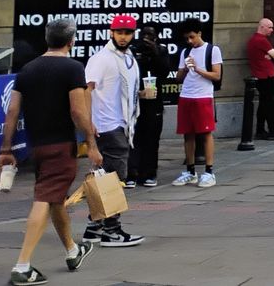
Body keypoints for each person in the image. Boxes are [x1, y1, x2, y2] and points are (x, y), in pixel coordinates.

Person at [0, 18, 101, 286]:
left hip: (38, 147)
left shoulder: (27, 69)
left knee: (55, 198)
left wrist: (6, 148)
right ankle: (22, 266)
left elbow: (12, 111)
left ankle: (72, 250)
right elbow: (78, 111)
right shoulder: (72, 68)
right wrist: (91, 143)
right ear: (71, 41)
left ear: (47, 39)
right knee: (45, 199)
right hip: (61, 146)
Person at [81, 15, 149, 247]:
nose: (123, 36)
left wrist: (139, 96)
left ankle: (93, 227)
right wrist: (89, 123)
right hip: (107, 126)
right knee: (116, 180)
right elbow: (86, 90)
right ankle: (111, 230)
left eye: (127, 32)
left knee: (105, 179)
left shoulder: (128, 58)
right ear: (111, 32)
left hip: (121, 124)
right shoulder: (102, 59)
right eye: (119, 32)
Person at [173, 18, 221, 189]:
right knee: (188, 134)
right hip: (186, 95)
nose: (190, 41)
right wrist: (185, 69)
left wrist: (197, 69)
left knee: (205, 133)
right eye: (187, 38)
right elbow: (178, 78)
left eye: (192, 37)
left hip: (203, 96)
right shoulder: (185, 52)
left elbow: (216, 75)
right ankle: (190, 171)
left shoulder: (212, 50)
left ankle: (209, 171)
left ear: (199, 33)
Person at [127, 23, 169, 188]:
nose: (146, 39)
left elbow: (164, 72)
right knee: (134, 137)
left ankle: (149, 173)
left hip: (154, 101)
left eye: (151, 36)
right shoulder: (133, 50)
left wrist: (155, 52)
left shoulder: (162, 50)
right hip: (136, 101)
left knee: (152, 138)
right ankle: (132, 172)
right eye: (144, 35)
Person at [247, 18, 274, 140]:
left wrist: (269, 56)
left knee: (263, 104)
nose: (272, 30)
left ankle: (260, 130)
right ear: (262, 27)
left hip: (259, 76)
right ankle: (272, 130)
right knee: (270, 105)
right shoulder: (262, 40)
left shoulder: (253, 40)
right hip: (266, 76)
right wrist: (271, 56)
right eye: (270, 27)